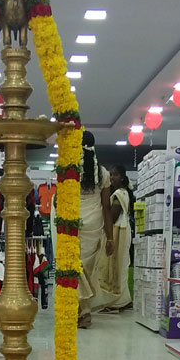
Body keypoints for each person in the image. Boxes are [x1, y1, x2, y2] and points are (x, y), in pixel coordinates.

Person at [77, 131, 113, 328]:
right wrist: (110, 238)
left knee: (75, 267)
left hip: (74, 222)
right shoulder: (103, 173)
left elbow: (59, 201)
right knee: (88, 270)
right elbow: (106, 206)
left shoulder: (71, 170)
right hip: (95, 223)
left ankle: (81, 311)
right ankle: (85, 312)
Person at [96, 164, 133, 312]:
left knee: (115, 267)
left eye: (115, 175)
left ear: (122, 177)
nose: (112, 178)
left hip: (118, 233)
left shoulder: (119, 194)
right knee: (119, 266)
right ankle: (124, 299)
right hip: (121, 231)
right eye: (111, 175)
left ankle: (116, 302)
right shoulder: (122, 192)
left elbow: (113, 216)